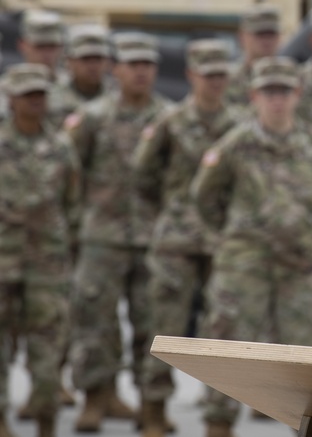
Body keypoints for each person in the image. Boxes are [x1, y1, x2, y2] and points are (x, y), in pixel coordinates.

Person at [191, 56, 312, 437]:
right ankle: (218, 425)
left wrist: (306, 229)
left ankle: (310, 428)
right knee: (228, 343)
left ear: (297, 95)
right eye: (268, 92)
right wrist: (236, 235)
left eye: (284, 92)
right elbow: (204, 196)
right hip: (245, 262)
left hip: (302, 264)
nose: (276, 99)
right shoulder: (236, 144)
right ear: (253, 96)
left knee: (310, 352)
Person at [133, 39, 243, 437]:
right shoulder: (170, 121)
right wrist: (169, 213)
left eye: (221, 75)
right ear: (191, 76)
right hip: (176, 240)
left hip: (221, 239)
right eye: (208, 74)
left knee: (224, 326)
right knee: (165, 324)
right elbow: (142, 175)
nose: (216, 82)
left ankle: (219, 414)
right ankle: (154, 408)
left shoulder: (239, 124)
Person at [64, 32, 172, 433]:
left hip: (152, 238)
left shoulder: (168, 117)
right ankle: (96, 396)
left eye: (148, 65)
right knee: (94, 320)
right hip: (102, 236)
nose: (141, 72)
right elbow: (70, 170)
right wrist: (77, 225)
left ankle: (152, 405)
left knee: (152, 322)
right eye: (133, 65)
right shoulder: (93, 116)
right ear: (117, 69)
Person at [0, 64, 79, 437]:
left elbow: (71, 202)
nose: (36, 101)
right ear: (11, 98)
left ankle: (46, 420)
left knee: (48, 347)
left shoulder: (61, 146)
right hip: (3, 262)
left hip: (47, 265)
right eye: (28, 94)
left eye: (41, 94)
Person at [47, 23, 113, 127]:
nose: (93, 66)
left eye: (98, 59)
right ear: (69, 61)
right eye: (85, 59)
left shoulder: (117, 96)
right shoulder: (51, 98)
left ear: (108, 62)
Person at [225, 4, 281, 108]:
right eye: (260, 34)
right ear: (242, 37)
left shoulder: (292, 80)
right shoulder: (227, 81)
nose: (266, 40)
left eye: (271, 33)